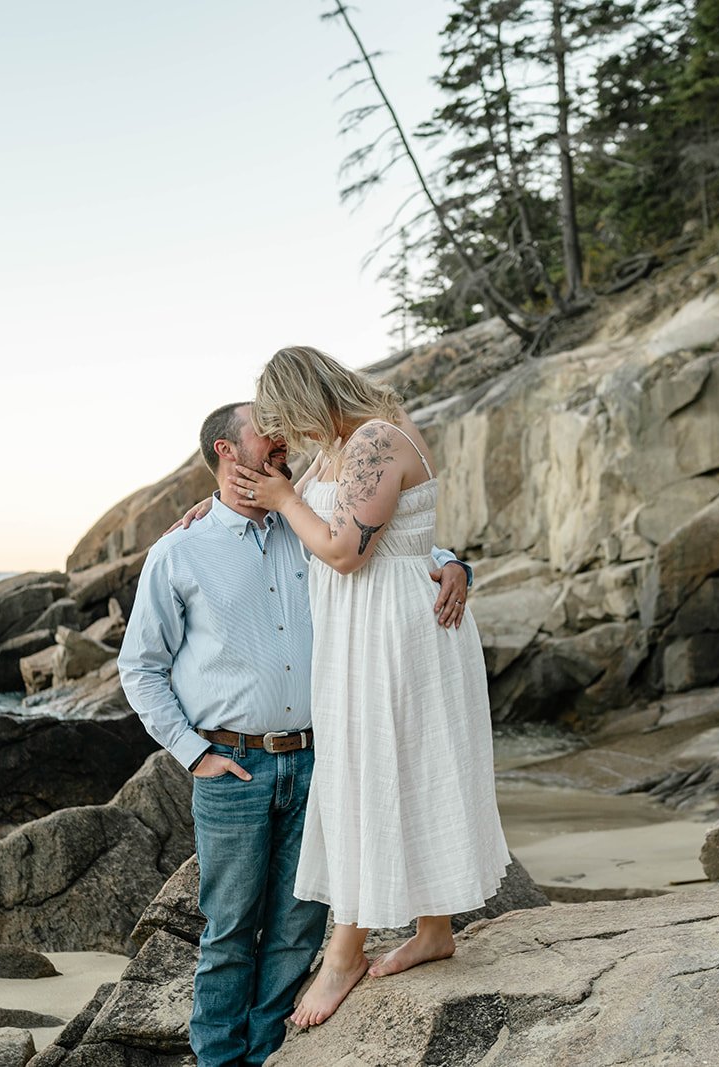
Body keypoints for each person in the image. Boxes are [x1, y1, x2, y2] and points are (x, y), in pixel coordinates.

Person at [116, 400, 471, 1067]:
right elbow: (139, 668)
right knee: (227, 931)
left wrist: (455, 565)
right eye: (263, 430)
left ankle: (268, 1053)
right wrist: (195, 755)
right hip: (233, 765)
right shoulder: (180, 551)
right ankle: (220, 1059)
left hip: (319, 759)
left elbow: (388, 542)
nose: (279, 438)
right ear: (227, 450)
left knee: (298, 925)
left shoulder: (304, 521)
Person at [227, 346, 510, 1029]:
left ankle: (344, 951)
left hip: (393, 631)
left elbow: (349, 551)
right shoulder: (341, 447)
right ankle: (434, 929)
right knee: (389, 769)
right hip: (361, 631)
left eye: (286, 419)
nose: (287, 438)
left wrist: (285, 497)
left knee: (373, 774)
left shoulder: (376, 438)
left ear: (307, 397)